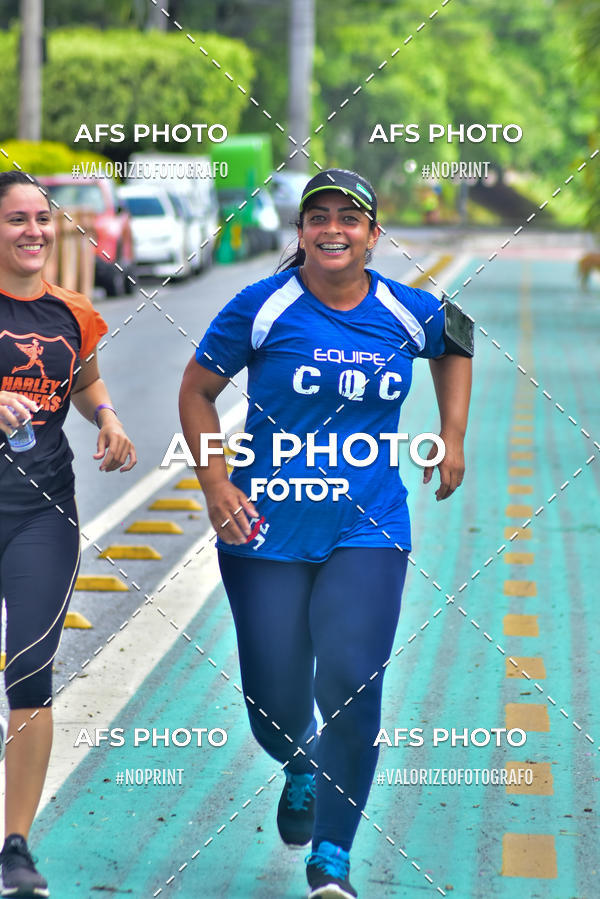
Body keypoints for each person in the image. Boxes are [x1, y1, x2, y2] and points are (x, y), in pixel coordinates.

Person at [179, 168, 472, 898]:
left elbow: (457, 338)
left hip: (367, 525)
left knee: (353, 681)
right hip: (264, 527)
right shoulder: (262, 305)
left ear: (374, 234)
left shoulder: (407, 310)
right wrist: (215, 483)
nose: (333, 227)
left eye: (350, 216)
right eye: (319, 216)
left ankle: (332, 857)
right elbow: (197, 391)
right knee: (272, 705)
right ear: (301, 231)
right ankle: (301, 759)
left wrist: (453, 432)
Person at [0, 170, 136, 897]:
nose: (33, 232)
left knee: (28, 674)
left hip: (41, 514)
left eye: (41, 220)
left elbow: (83, 382)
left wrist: (108, 418)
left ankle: (15, 846)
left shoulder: (71, 311)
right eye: (16, 220)